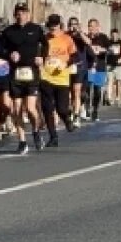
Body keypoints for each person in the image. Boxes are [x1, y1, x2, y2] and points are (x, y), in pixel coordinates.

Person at [0, 2, 47, 154]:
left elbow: (45, 45)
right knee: (16, 109)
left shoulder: (36, 29)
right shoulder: (9, 31)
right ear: (14, 14)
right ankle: (22, 141)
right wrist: (8, 55)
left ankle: (36, 132)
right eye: (18, 12)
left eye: (23, 12)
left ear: (28, 14)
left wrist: (41, 56)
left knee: (30, 109)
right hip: (16, 74)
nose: (21, 15)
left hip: (31, 72)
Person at [39, 14, 78, 147]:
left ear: (59, 25)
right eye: (50, 25)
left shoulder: (67, 39)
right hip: (46, 77)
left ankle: (67, 118)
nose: (52, 28)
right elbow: (39, 55)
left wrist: (65, 64)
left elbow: (75, 56)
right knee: (47, 108)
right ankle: (53, 137)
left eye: (55, 25)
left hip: (62, 78)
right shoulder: (44, 40)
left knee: (61, 108)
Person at [107, 28, 121, 106]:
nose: (114, 36)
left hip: (118, 65)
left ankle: (117, 98)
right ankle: (109, 98)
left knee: (118, 81)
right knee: (110, 81)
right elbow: (106, 51)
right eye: (113, 34)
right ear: (111, 35)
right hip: (109, 64)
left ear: (118, 35)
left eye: (115, 34)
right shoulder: (108, 42)